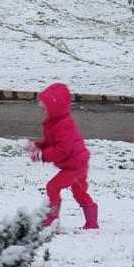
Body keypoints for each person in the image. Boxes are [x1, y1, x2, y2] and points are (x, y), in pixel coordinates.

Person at [25, 83, 98, 230]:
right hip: (79, 163)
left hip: (75, 166)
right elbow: (51, 143)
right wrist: (36, 146)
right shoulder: (56, 122)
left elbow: (61, 150)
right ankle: (92, 224)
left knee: (52, 187)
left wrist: (41, 156)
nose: (42, 112)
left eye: (44, 109)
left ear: (54, 108)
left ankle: (52, 221)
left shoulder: (62, 125)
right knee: (79, 193)